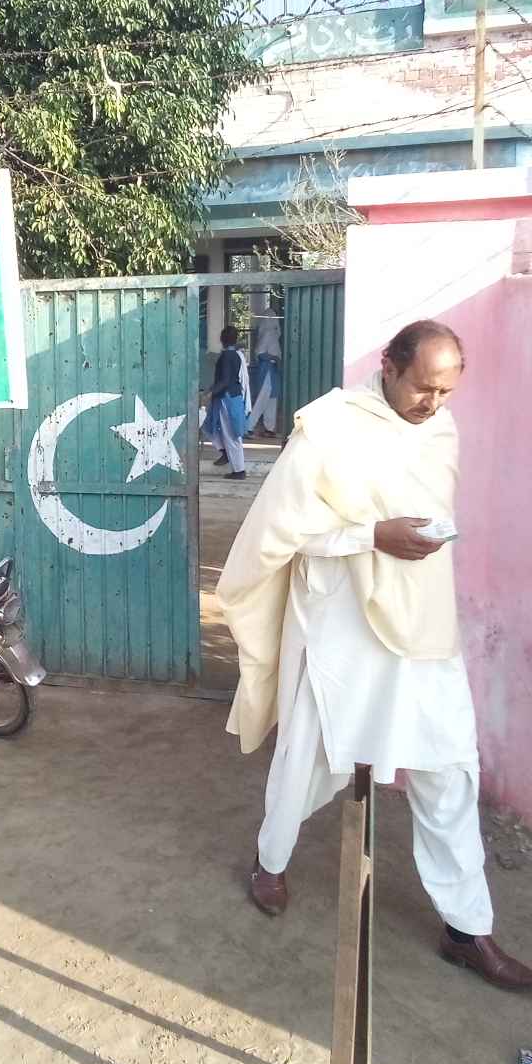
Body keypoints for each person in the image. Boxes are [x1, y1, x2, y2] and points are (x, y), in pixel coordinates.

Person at [217, 320, 531, 990]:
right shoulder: (328, 428)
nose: (433, 403)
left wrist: (415, 537)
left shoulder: (440, 428)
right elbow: (283, 532)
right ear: (388, 365)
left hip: (424, 621)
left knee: (448, 765)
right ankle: (271, 862)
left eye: (446, 391)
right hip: (343, 624)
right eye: (423, 387)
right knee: (308, 751)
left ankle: (468, 930)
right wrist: (371, 535)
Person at [202, 325, 251, 479]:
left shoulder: (226, 357)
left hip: (226, 398)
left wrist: (210, 393)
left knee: (230, 435)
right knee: (211, 427)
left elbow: (224, 380)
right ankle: (225, 453)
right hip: (232, 397)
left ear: (222, 339)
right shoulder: (237, 355)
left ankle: (239, 470)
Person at [248, 304, 282, 437]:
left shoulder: (271, 334)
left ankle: (269, 428)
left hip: (272, 370)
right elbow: (260, 353)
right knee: (263, 399)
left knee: (271, 399)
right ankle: (249, 426)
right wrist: (275, 358)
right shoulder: (268, 334)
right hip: (268, 370)